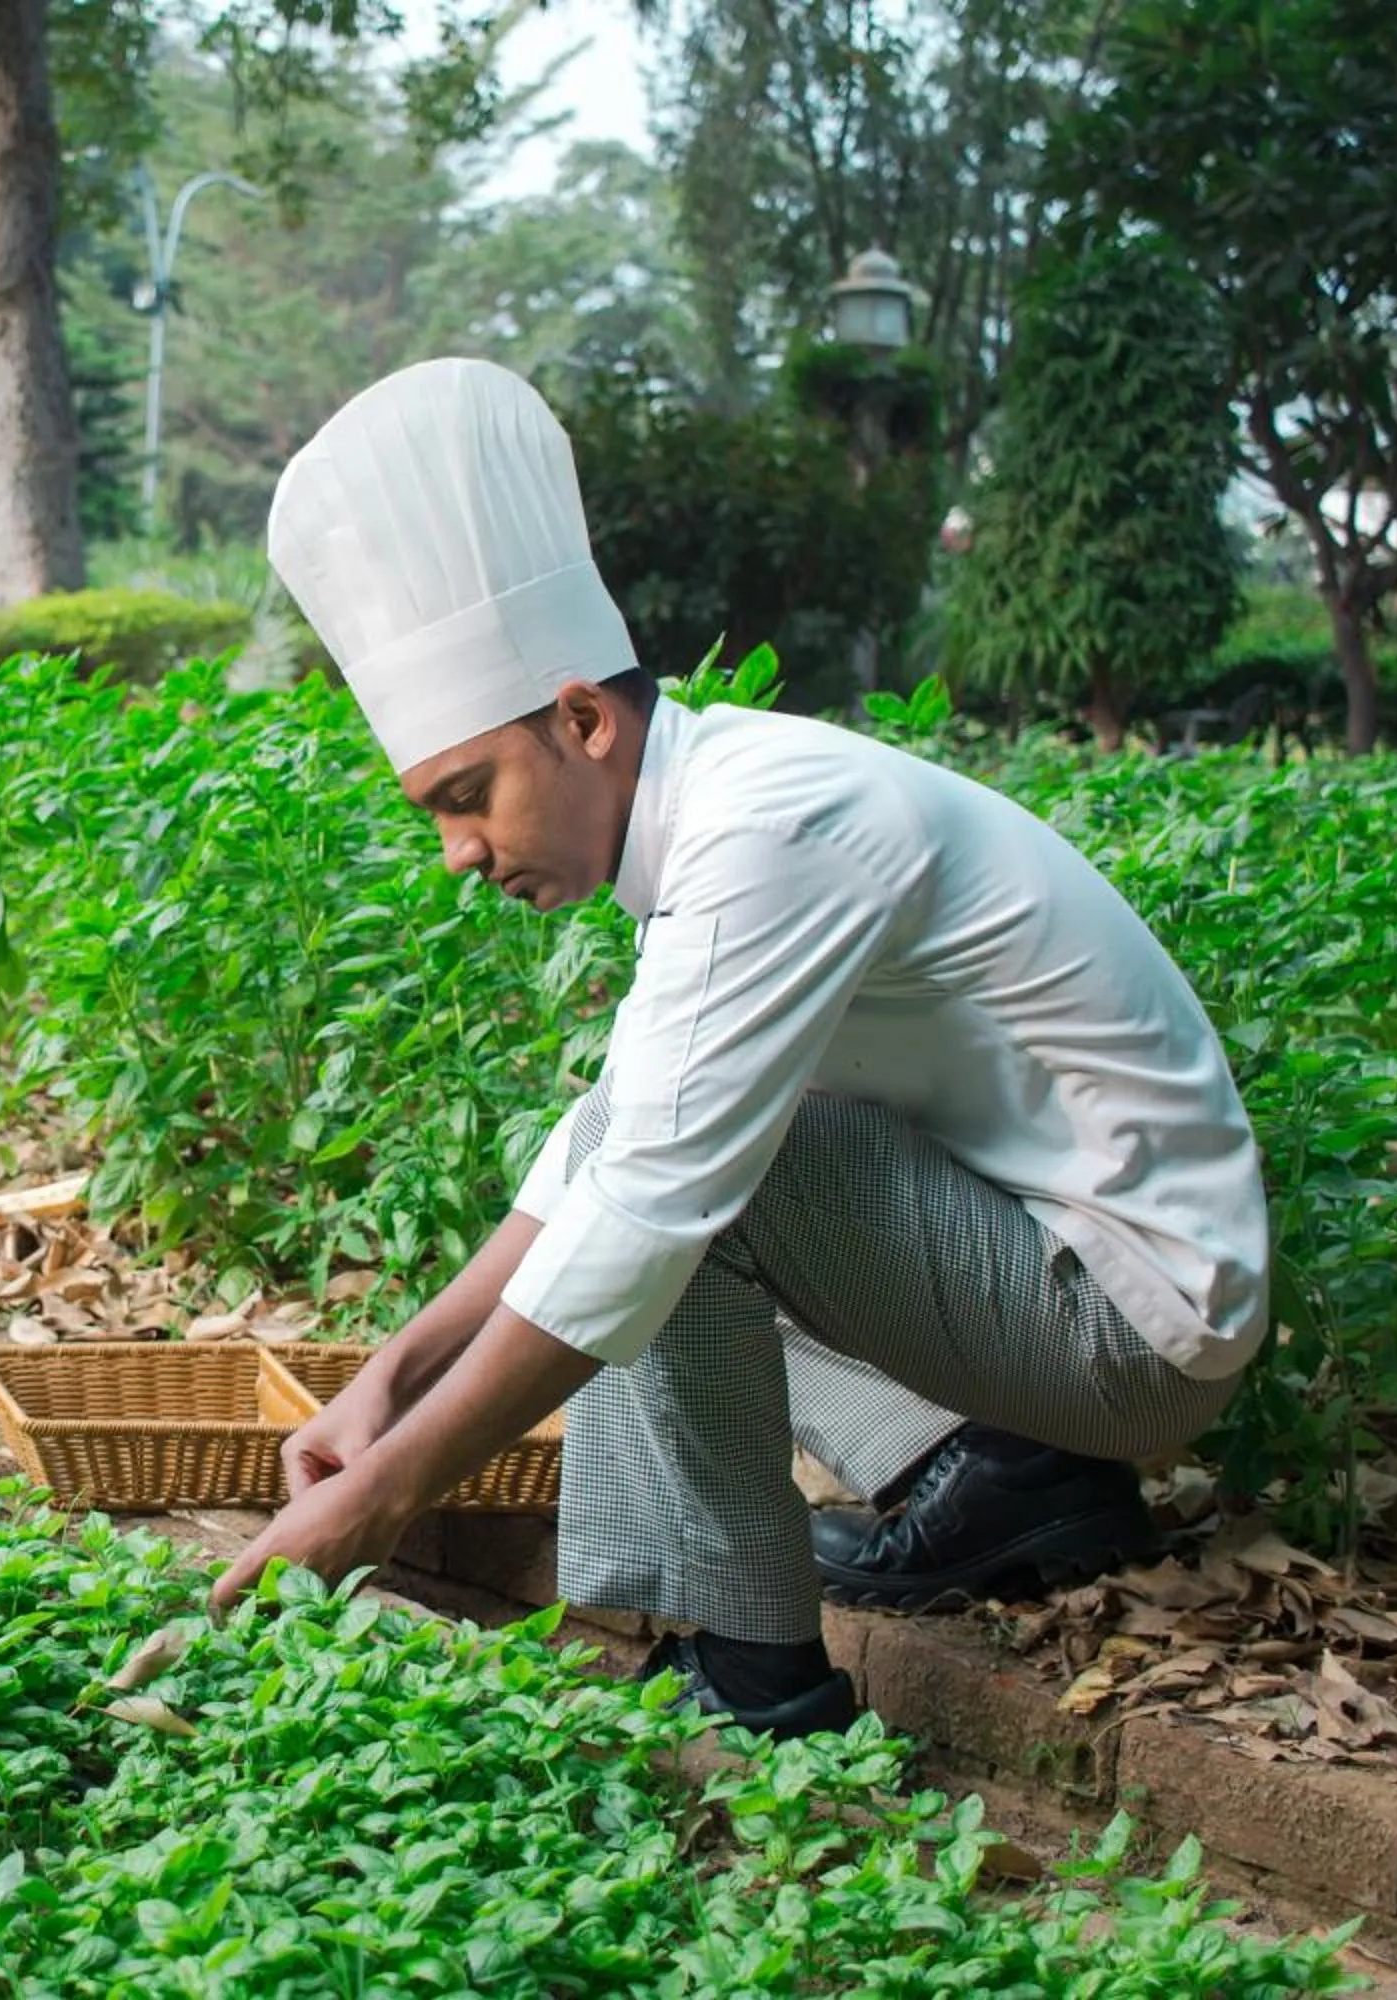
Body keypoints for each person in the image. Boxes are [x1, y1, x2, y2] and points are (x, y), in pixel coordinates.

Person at [206, 358, 1270, 1735]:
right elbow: (603, 1149)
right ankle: (1013, 1479)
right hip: (1045, 1274)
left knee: (684, 1198)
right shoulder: (726, 805)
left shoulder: (772, 830)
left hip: (1124, 1324)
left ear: (583, 720)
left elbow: (651, 1203)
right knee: (636, 1149)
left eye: (469, 798)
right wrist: (388, 1380)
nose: (460, 854)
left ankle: (757, 1675)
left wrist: (386, 1496)